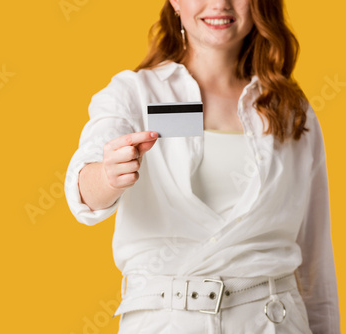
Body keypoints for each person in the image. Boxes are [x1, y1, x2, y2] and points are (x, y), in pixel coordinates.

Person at [65, 0, 340, 332]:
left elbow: (315, 262)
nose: (220, 4)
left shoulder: (292, 111)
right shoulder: (133, 93)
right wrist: (108, 175)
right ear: (176, 2)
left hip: (275, 322)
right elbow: (84, 188)